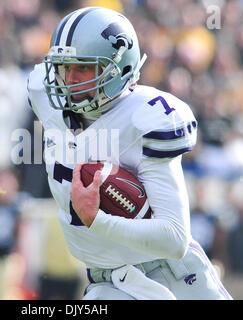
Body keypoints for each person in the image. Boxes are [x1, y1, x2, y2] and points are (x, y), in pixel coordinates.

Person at [27, 7, 232, 300]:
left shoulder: (144, 118)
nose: (69, 79)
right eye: (63, 66)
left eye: (83, 67)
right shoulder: (44, 97)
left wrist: (96, 219)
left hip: (168, 277)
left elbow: (175, 239)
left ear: (118, 68)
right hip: (105, 280)